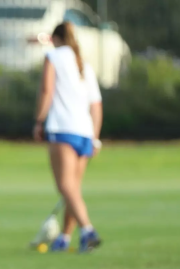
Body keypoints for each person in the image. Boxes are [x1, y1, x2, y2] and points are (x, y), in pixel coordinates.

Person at [33, 22, 104, 252]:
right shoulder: (84, 65)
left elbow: (46, 91)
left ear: (55, 38)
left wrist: (39, 121)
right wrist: (95, 137)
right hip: (85, 133)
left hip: (63, 129)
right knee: (73, 189)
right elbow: (96, 106)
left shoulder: (53, 57)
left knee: (65, 186)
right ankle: (64, 237)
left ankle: (88, 230)